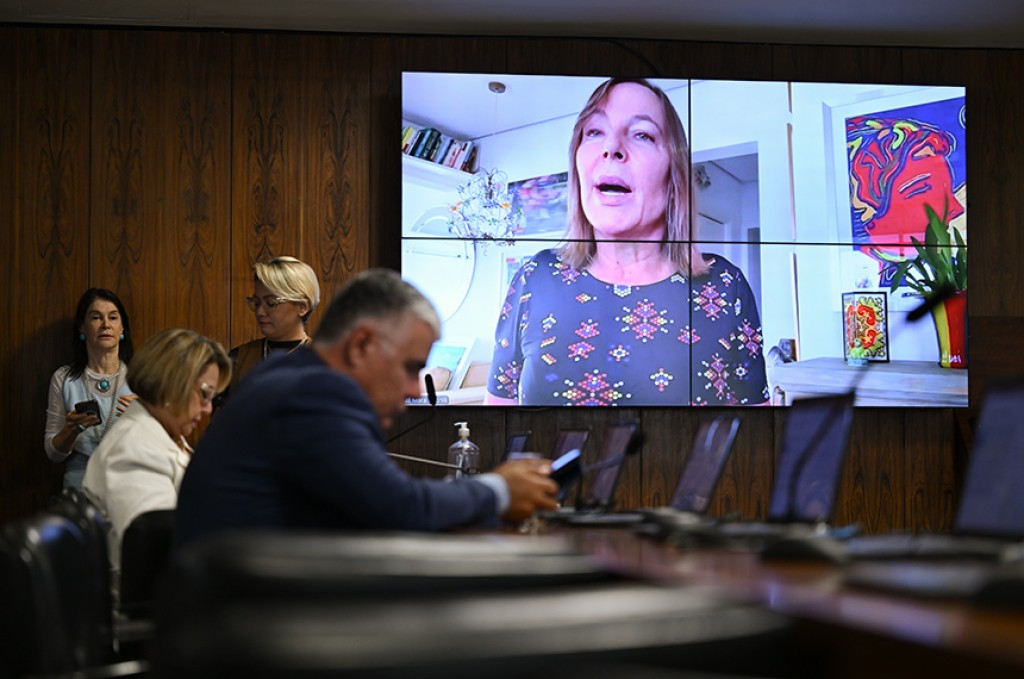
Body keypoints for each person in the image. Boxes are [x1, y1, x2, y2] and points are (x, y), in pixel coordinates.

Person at [174, 268, 559, 548]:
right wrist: (499, 489)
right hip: (248, 626)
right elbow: (398, 507)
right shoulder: (311, 394)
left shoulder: (288, 377)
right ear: (361, 345)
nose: (414, 388)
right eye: (410, 367)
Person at [485, 78, 769, 406]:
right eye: (594, 131)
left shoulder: (726, 286)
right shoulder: (535, 277)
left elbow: (757, 431)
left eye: (642, 135)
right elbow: (496, 424)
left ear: (673, 174)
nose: (611, 147)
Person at [83, 328, 231, 577]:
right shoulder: (134, 448)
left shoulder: (167, 435)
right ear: (173, 383)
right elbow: (157, 552)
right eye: (205, 395)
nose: (208, 409)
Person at [45, 288, 137, 489]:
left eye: (113, 317)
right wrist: (72, 430)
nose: (106, 324)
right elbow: (53, 455)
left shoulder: (142, 377)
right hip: (80, 489)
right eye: (96, 317)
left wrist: (145, 419)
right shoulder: (63, 378)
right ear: (82, 328)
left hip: (130, 486)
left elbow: (164, 445)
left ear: (122, 328)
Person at [221, 255, 321, 401]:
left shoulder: (323, 361)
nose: (260, 312)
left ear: (302, 307)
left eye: (271, 303)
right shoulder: (240, 358)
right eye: (256, 303)